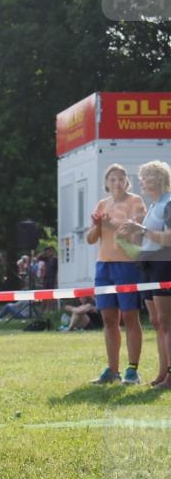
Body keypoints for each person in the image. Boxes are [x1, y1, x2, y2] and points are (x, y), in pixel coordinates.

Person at [85, 164, 147, 384]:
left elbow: (137, 233)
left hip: (127, 265)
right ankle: (112, 370)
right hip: (104, 266)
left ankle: (132, 370)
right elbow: (90, 239)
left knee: (130, 316)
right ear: (106, 183)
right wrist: (97, 225)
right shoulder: (102, 204)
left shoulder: (136, 202)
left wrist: (110, 223)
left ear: (127, 181)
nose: (117, 183)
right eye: (112, 179)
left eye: (121, 179)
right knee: (109, 320)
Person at [117, 160, 171, 389]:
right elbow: (146, 238)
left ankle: (170, 376)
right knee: (157, 323)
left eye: (146, 176)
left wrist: (141, 229)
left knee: (167, 323)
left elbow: (168, 239)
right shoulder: (153, 206)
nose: (141, 180)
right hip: (148, 265)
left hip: (164, 263)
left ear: (159, 179)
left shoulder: (168, 203)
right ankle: (162, 373)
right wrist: (129, 234)